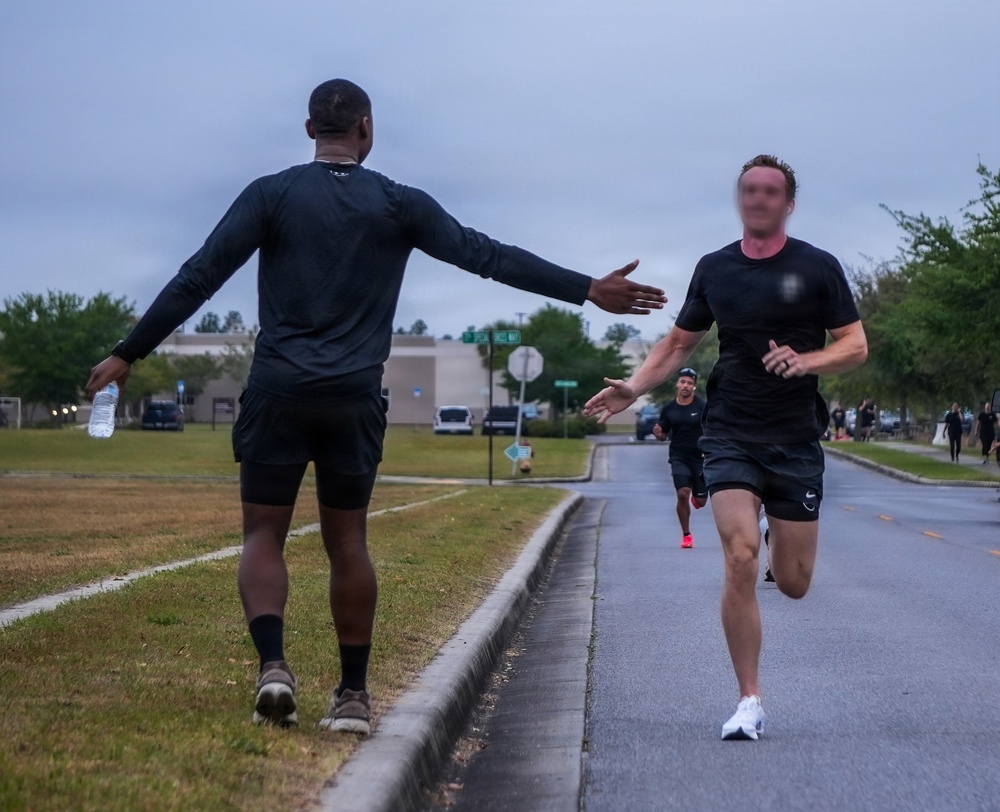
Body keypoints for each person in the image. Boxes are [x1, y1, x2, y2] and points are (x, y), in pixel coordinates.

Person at [84, 79, 666, 732]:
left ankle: (274, 667)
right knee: (347, 541)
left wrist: (128, 352)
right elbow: (487, 256)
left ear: (310, 132)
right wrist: (587, 289)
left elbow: (199, 276)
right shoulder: (397, 203)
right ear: (366, 129)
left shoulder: (270, 195)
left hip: (277, 391)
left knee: (262, 535)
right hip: (353, 398)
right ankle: (353, 697)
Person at [583, 154, 867, 741]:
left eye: (770, 192)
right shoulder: (714, 268)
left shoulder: (817, 267)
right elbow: (679, 344)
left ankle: (773, 539)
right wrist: (633, 388)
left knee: (792, 582)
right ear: (739, 200)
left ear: (788, 204)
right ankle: (749, 699)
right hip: (730, 429)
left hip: (793, 439)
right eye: (749, 191)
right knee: (737, 556)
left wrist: (807, 359)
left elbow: (855, 345)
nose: (758, 199)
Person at [651, 367, 707, 549]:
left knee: (700, 501)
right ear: (677, 384)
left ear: (694, 387)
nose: (685, 386)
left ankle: (695, 497)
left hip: (700, 457)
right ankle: (686, 535)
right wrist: (659, 434)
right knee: (682, 493)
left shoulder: (702, 406)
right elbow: (663, 434)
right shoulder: (669, 409)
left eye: (690, 383)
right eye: (683, 382)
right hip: (678, 456)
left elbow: (712, 429)